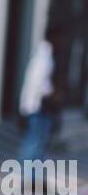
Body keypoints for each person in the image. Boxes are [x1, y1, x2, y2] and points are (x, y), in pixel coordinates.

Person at [18, 22, 66, 161]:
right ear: (53, 37)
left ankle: (33, 179)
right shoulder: (44, 56)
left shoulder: (47, 53)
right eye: (60, 37)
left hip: (42, 108)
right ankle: (29, 179)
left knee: (38, 145)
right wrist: (54, 94)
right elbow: (38, 82)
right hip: (38, 108)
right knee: (34, 145)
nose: (62, 41)